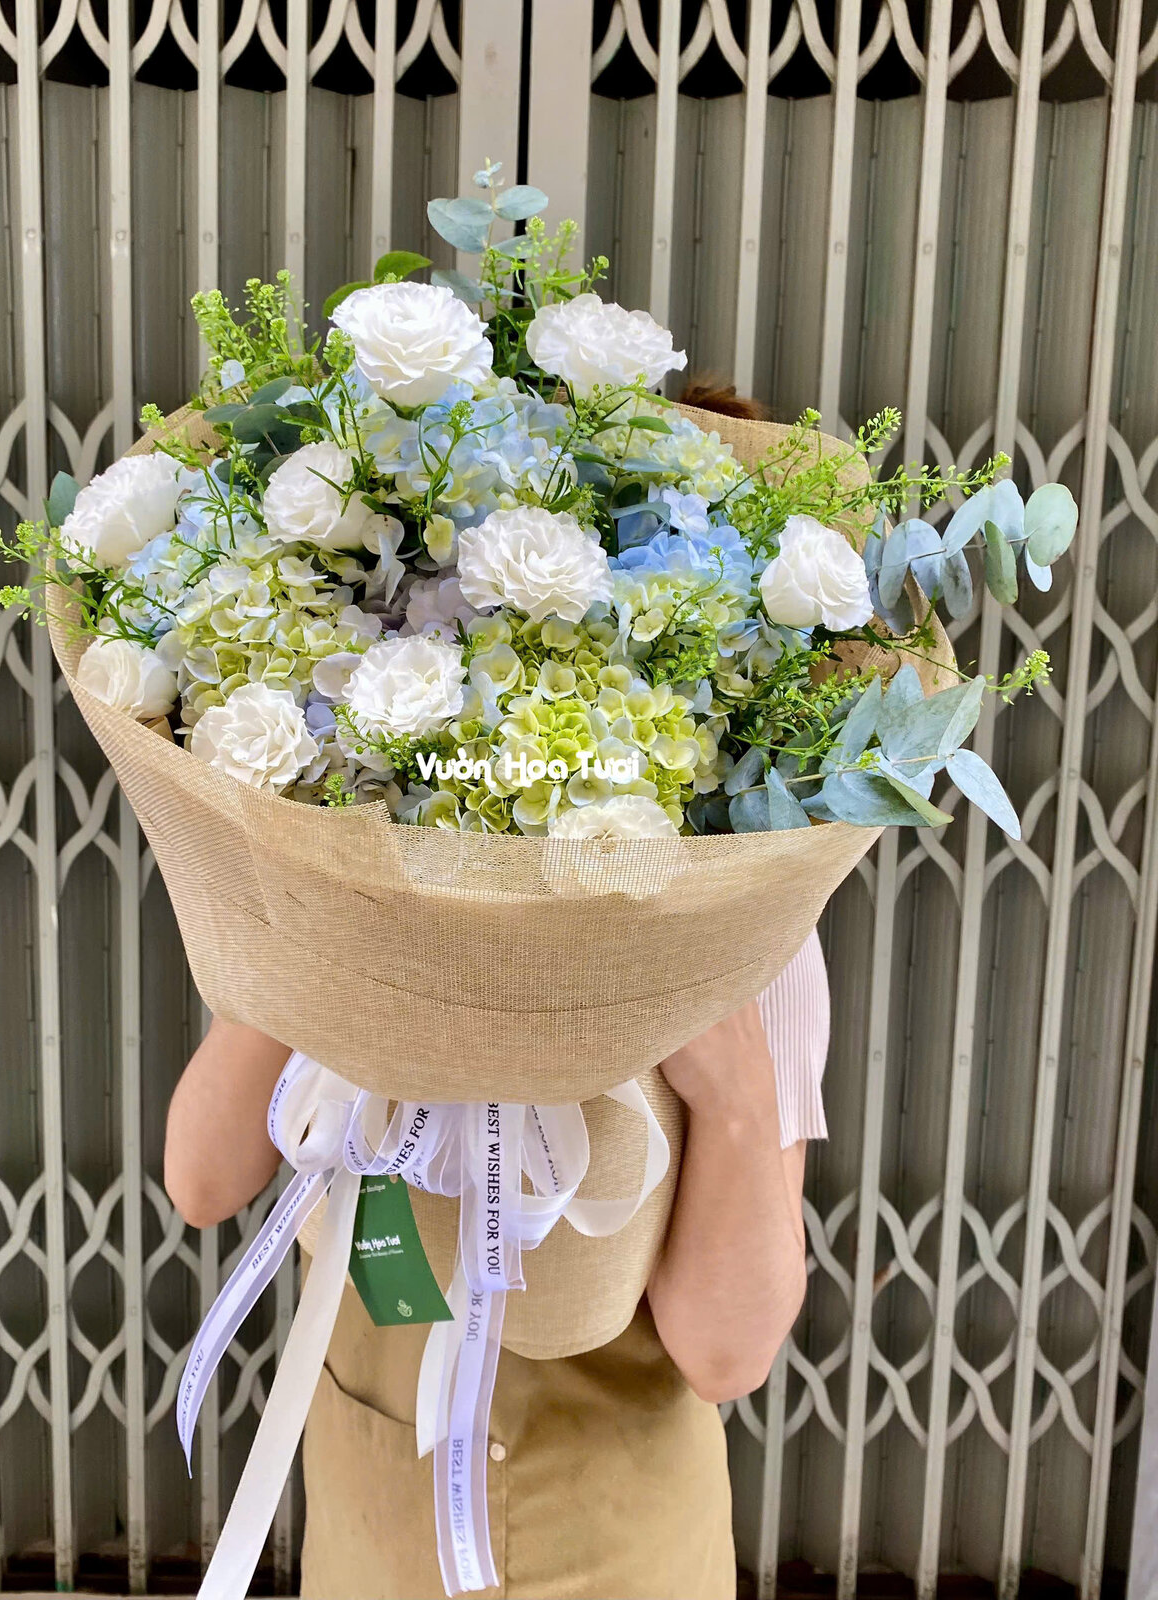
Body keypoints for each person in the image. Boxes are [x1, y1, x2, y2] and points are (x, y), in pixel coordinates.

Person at [164, 383, 832, 1600]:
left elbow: (725, 1352)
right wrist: (315, 918)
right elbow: (205, 1180)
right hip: (373, 1514)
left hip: (620, 1539)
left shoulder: (742, 923)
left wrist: (730, 1096)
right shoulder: (358, 888)